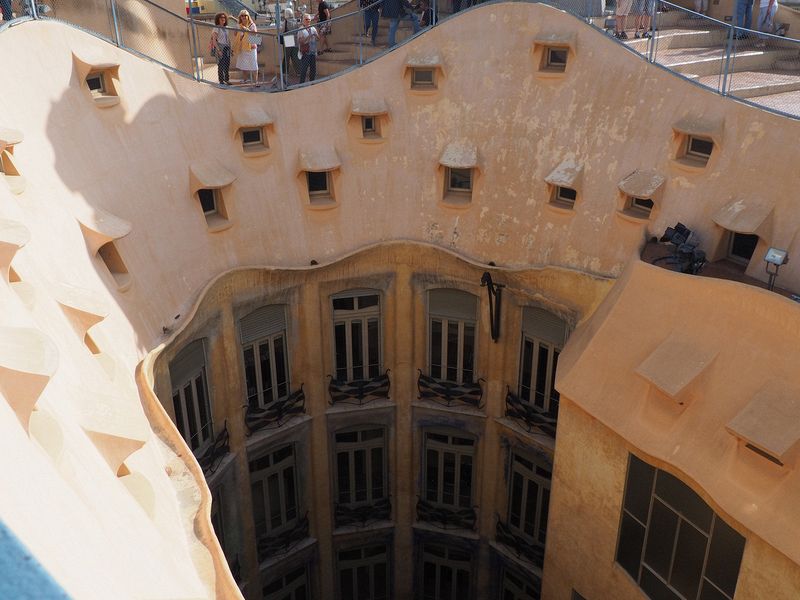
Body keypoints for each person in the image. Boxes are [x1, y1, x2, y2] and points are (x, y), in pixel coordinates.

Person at [235, 10, 259, 85]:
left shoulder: (252, 24)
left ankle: (256, 81)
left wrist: (246, 30)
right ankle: (245, 80)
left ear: (248, 16)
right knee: (243, 65)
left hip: (251, 47)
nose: (244, 17)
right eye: (242, 15)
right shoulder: (239, 25)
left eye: (245, 15)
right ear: (240, 17)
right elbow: (235, 35)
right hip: (242, 47)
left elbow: (255, 34)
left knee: (254, 64)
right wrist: (237, 30)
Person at [210, 13, 232, 85]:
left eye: (224, 17)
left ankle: (227, 79)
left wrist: (230, 49)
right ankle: (221, 81)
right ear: (218, 19)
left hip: (226, 48)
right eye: (221, 17)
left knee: (227, 64)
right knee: (221, 65)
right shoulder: (216, 28)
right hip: (220, 48)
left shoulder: (226, 28)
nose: (223, 19)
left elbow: (228, 39)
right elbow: (214, 40)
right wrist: (219, 50)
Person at [297, 13, 320, 83]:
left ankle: (312, 83)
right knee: (304, 69)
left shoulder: (313, 28)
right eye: (306, 19)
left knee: (313, 69)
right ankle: (301, 84)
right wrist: (309, 36)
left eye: (309, 19)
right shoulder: (301, 29)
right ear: (303, 20)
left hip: (312, 51)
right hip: (305, 52)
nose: (308, 21)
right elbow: (300, 41)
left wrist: (316, 35)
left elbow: (318, 39)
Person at [281, 7, 301, 78]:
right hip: (295, 38)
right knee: (295, 56)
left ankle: (285, 72)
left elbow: (282, 31)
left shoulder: (285, 22)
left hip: (288, 38)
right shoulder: (296, 21)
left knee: (287, 56)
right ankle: (298, 72)